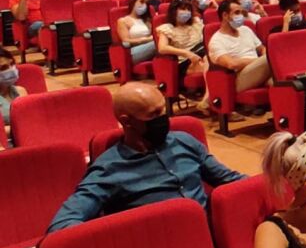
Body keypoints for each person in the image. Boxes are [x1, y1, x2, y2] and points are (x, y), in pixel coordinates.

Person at [48, 82, 245, 232]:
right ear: (127, 121)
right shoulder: (109, 168)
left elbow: (229, 179)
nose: (164, 118)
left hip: (213, 232)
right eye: (154, 114)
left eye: (163, 110)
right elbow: (63, 225)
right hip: (163, 246)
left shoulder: (184, 141)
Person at [210, 0, 271, 98]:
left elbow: (262, 48)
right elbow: (231, 64)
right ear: (225, 15)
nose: (241, 16)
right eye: (237, 12)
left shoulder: (245, 29)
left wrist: (262, 59)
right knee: (272, 58)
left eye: (242, 13)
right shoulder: (216, 40)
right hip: (240, 78)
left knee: (281, 82)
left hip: (260, 69)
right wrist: (260, 61)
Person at [156, 0, 208, 109]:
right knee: (214, 66)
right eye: (183, 9)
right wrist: (187, 53)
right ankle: (210, 99)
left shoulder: (196, 24)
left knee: (214, 62)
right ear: (174, 11)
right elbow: (162, 48)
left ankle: (208, 98)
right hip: (185, 61)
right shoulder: (167, 28)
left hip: (202, 55)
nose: (186, 12)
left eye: (188, 9)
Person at [116, 0, 157, 64]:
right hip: (133, 52)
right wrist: (145, 40)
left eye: (146, 3)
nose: (144, 5)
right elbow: (126, 41)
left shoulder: (147, 20)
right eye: (141, 2)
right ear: (133, 2)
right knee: (158, 44)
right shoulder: (123, 21)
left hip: (149, 46)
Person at [0, 49, 28, 137]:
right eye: (3, 68)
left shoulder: (21, 91)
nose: (10, 69)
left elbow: (30, 118)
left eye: (12, 64)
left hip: (27, 137)